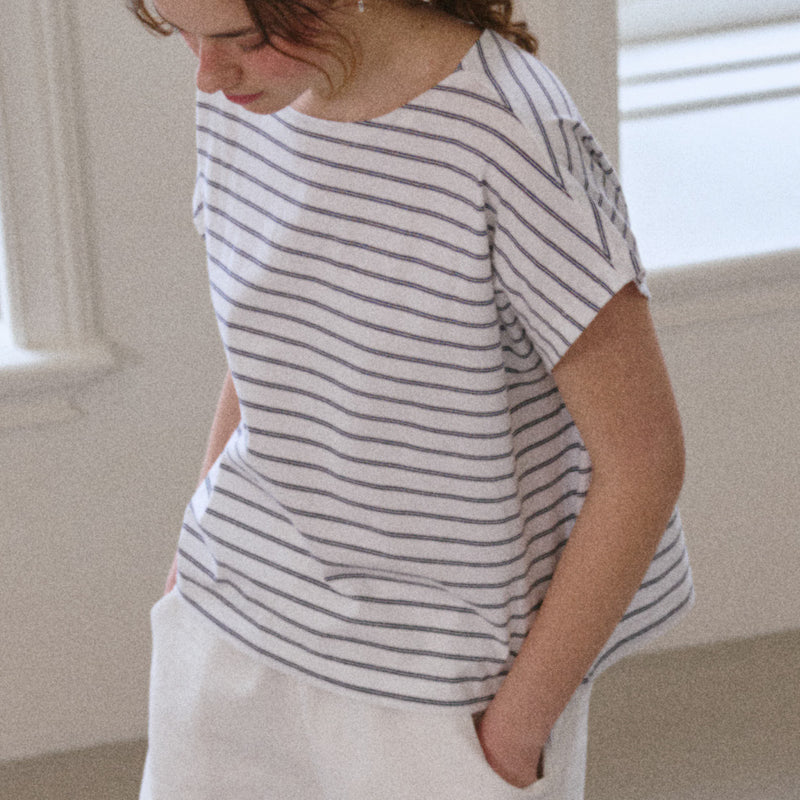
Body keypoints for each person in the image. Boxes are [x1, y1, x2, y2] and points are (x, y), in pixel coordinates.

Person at [131, 0, 694, 797]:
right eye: (181, 33)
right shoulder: (247, 99)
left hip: (444, 686)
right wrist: (192, 565)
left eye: (241, 39)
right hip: (232, 623)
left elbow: (643, 464)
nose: (207, 76)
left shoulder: (512, 136)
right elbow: (275, 338)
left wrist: (515, 732)